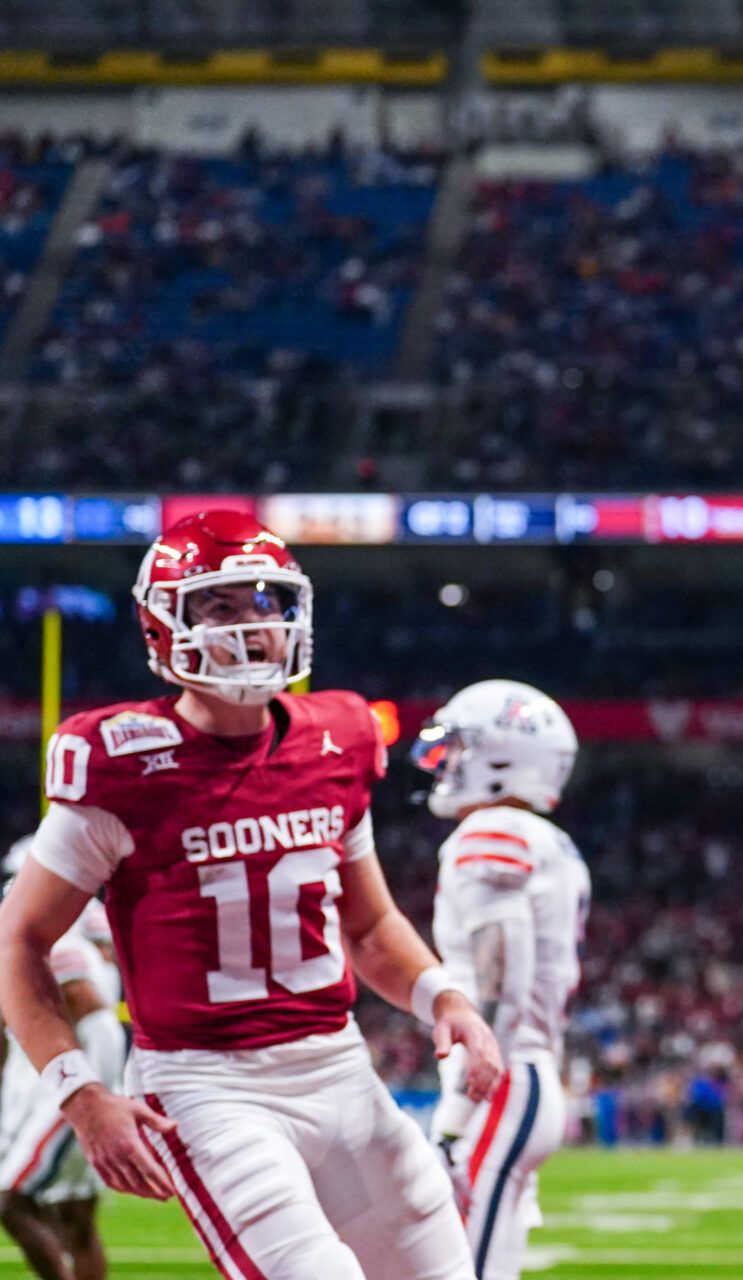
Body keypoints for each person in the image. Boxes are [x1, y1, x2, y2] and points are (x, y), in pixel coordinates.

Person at [0, 510, 503, 1280]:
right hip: (208, 1087)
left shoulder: (337, 736)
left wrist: (445, 1000)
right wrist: (79, 1093)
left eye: (265, 602)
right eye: (220, 605)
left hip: (339, 1065)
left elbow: (368, 929)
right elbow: (22, 938)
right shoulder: (119, 762)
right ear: (166, 625)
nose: (253, 625)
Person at [416, 680, 587, 1280]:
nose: (447, 760)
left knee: (464, 1267)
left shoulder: (494, 833)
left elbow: (502, 977)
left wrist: (463, 1099)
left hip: (504, 1074)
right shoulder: (549, 841)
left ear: (502, 757)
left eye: (460, 747)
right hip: (526, 1073)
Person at [0, 840, 121, 1280]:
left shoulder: (55, 939)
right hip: (64, 1079)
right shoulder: (84, 933)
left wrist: (85, 1091)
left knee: (10, 1198)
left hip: (67, 1083)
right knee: (75, 1215)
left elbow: (88, 1014)